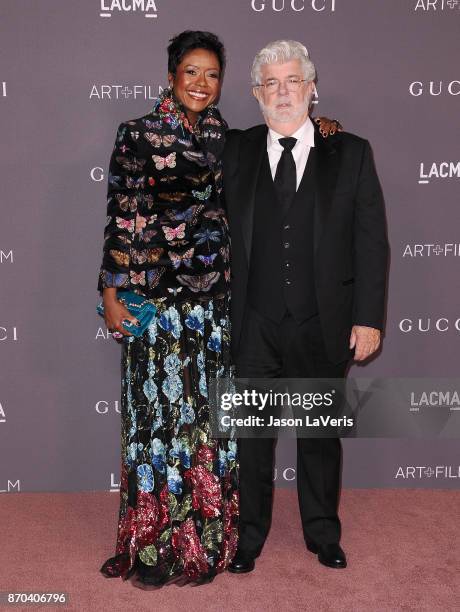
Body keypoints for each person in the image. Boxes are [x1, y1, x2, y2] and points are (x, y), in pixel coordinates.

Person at [223, 40, 389, 574]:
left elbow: (371, 242)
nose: (283, 92)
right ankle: (247, 537)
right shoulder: (235, 149)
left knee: (320, 437)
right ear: (255, 94)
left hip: (325, 321)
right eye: (271, 83)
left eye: (293, 81)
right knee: (252, 439)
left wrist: (368, 319)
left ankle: (322, 533)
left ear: (312, 88)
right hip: (254, 322)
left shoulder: (352, 151)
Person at [97, 31, 238, 587]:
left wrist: (324, 130)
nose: (202, 84)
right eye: (192, 72)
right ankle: (152, 547)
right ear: (171, 76)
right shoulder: (137, 134)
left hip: (212, 306)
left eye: (212, 75)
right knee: (155, 426)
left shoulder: (228, 136)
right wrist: (110, 294)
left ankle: (202, 543)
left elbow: (285, 144)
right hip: (156, 302)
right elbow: (122, 216)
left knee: (204, 425)